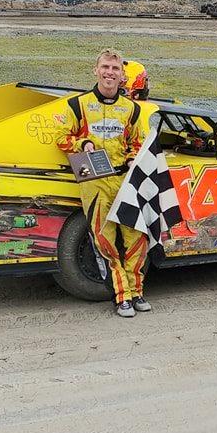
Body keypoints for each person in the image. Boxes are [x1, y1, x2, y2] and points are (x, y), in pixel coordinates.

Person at [54, 49, 151, 318]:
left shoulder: (131, 108)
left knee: (135, 237)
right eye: (105, 67)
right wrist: (81, 143)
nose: (110, 72)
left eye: (115, 69)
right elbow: (60, 137)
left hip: (124, 180)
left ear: (122, 77)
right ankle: (122, 296)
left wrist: (133, 159)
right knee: (104, 240)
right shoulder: (78, 104)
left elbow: (137, 142)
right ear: (95, 70)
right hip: (94, 180)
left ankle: (137, 291)